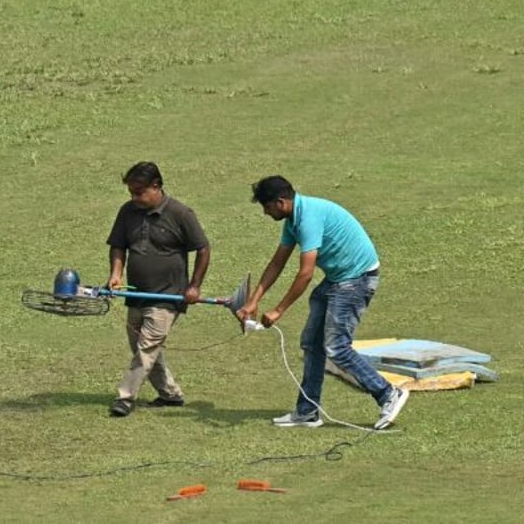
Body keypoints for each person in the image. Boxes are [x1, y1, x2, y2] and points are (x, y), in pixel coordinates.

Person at [237, 176, 408, 430]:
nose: (265, 212)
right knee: (312, 343)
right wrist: (253, 301)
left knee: (337, 347)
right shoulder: (293, 219)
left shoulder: (308, 219)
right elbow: (277, 263)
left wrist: (278, 310)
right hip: (338, 278)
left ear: (280, 202)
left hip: (357, 278)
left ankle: (388, 393)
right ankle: (307, 411)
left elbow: (305, 274)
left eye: (266, 206)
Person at [106, 162, 211, 417]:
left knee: (147, 347)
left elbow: (203, 249)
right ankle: (170, 394)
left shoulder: (181, 213)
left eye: (139, 192)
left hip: (168, 296)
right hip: (136, 294)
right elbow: (118, 246)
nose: (134, 197)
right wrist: (116, 274)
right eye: (131, 192)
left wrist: (194, 286)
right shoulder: (128, 212)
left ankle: (125, 397)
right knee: (141, 347)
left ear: (156, 186)